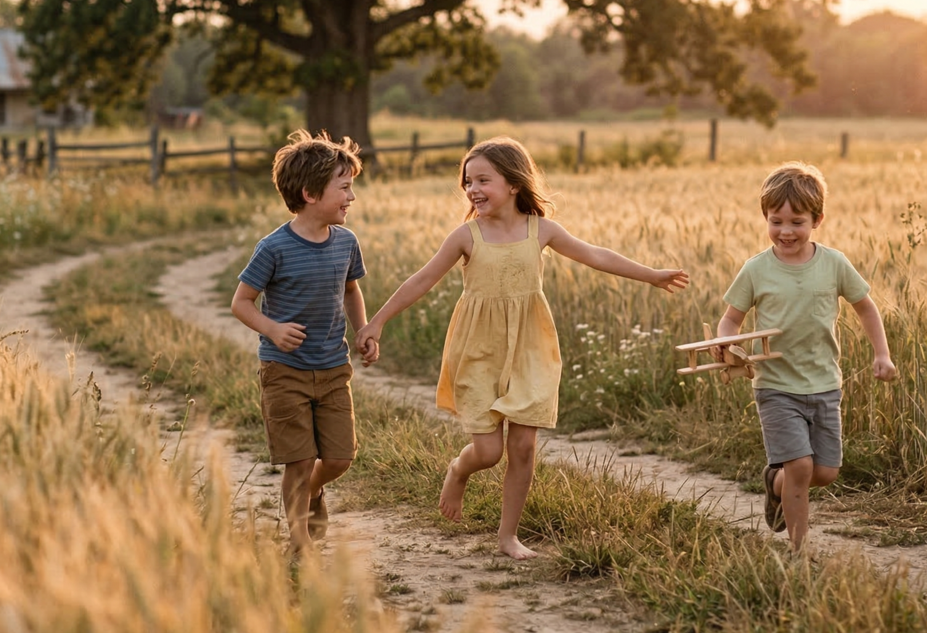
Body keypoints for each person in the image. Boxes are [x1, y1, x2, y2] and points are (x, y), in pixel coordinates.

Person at [355, 136, 689, 560]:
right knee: (488, 452)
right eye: (467, 181)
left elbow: (596, 256)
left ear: (514, 183)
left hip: (530, 346)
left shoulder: (541, 230)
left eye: (482, 180)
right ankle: (459, 471)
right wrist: (377, 322)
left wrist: (652, 275)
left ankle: (507, 537)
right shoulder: (466, 236)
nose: (472, 189)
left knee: (523, 447)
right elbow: (421, 280)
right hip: (478, 349)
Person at [712, 161, 896, 553]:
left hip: (825, 383)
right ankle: (799, 550)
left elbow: (866, 307)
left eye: (796, 222)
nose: (785, 231)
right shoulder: (756, 270)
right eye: (775, 221)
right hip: (776, 387)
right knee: (800, 466)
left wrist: (882, 354)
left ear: (817, 220)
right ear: (765, 218)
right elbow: (730, 319)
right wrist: (725, 343)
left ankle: (775, 484)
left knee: (825, 472)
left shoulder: (834, 263)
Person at [231, 129, 379, 557]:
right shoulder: (274, 248)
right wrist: (272, 329)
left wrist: (363, 329)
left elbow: (351, 290)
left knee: (338, 459)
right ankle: (299, 545)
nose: (352, 197)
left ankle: (314, 492)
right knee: (298, 460)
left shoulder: (346, 243)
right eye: (345, 187)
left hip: (334, 368)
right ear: (311, 193)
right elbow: (242, 302)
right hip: (284, 370)